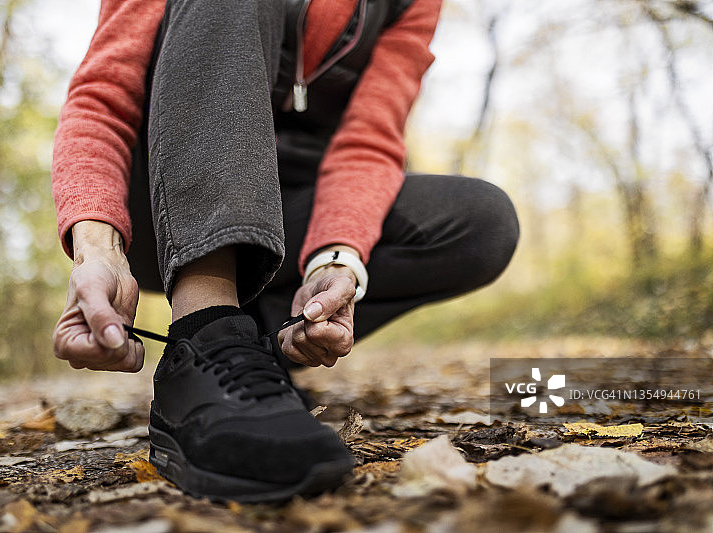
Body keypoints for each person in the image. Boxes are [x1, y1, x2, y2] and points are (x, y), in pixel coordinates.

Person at [51, 0, 519, 502]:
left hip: (294, 204)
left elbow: (367, 143)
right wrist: (96, 248)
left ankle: (251, 350)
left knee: (481, 223)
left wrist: (335, 256)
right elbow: (102, 98)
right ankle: (204, 334)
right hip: (160, 203)